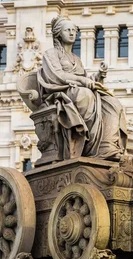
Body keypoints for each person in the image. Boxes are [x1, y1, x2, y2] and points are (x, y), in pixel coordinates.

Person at [37, 16, 128, 161]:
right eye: (68, 30)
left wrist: (99, 76)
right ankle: (88, 146)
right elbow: (56, 75)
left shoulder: (76, 58)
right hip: (61, 92)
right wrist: (83, 81)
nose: (72, 33)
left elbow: (87, 79)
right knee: (84, 95)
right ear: (58, 33)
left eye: (74, 30)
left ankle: (105, 145)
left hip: (79, 90)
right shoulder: (51, 54)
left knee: (112, 103)